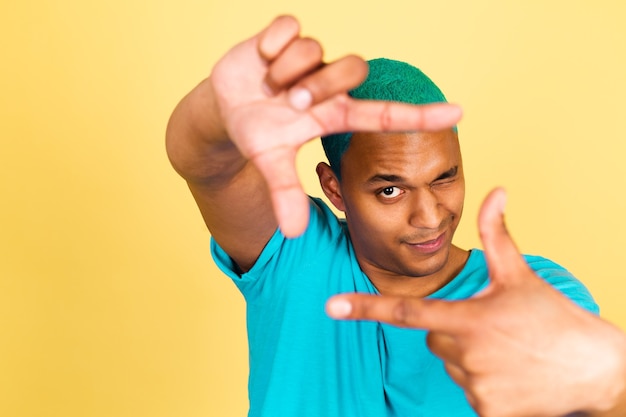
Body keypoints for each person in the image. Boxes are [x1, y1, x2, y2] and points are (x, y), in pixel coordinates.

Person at [165, 14, 603, 417]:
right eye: (391, 190)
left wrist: (607, 389)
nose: (430, 217)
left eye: (444, 178)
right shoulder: (294, 256)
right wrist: (219, 111)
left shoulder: (534, 294)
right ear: (334, 187)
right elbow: (208, 166)